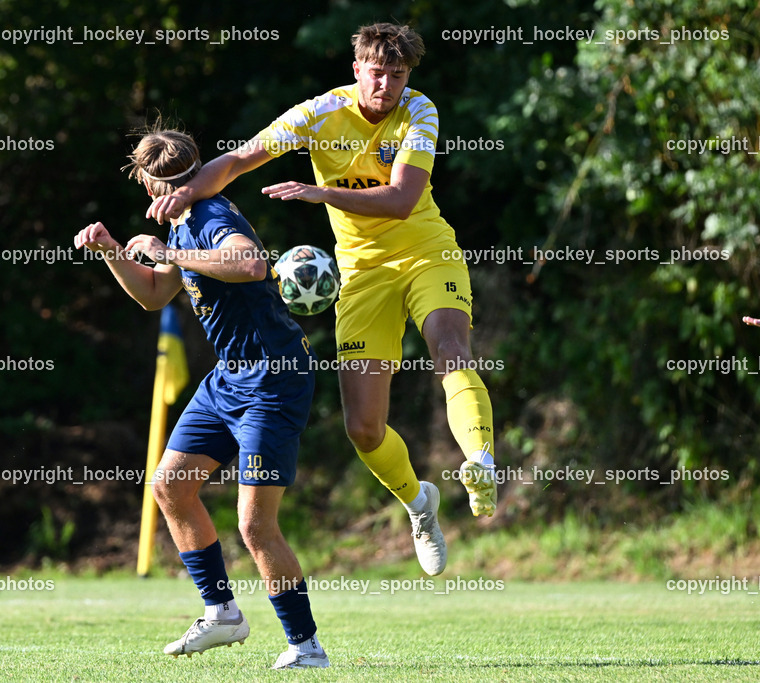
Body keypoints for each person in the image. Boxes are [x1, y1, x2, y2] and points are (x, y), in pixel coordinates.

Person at [147, 23, 498, 577]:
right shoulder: (318, 113)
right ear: (357, 69)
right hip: (360, 274)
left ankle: (480, 460)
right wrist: (188, 192)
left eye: (397, 76)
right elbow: (239, 159)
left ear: (409, 78)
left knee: (449, 347)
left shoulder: (419, 112)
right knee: (363, 429)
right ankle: (419, 504)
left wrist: (320, 192)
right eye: (377, 73)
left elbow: (404, 199)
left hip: (428, 253)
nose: (386, 85)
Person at [74, 127, 328, 669]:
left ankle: (306, 647)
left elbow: (252, 264)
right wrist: (113, 251)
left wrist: (169, 250)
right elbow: (154, 294)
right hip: (229, 379)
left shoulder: (211, 216)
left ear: (150, 183)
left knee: (255, 524)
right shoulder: (182, 219)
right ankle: (222, 614)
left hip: (273, 379)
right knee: (170, 486)